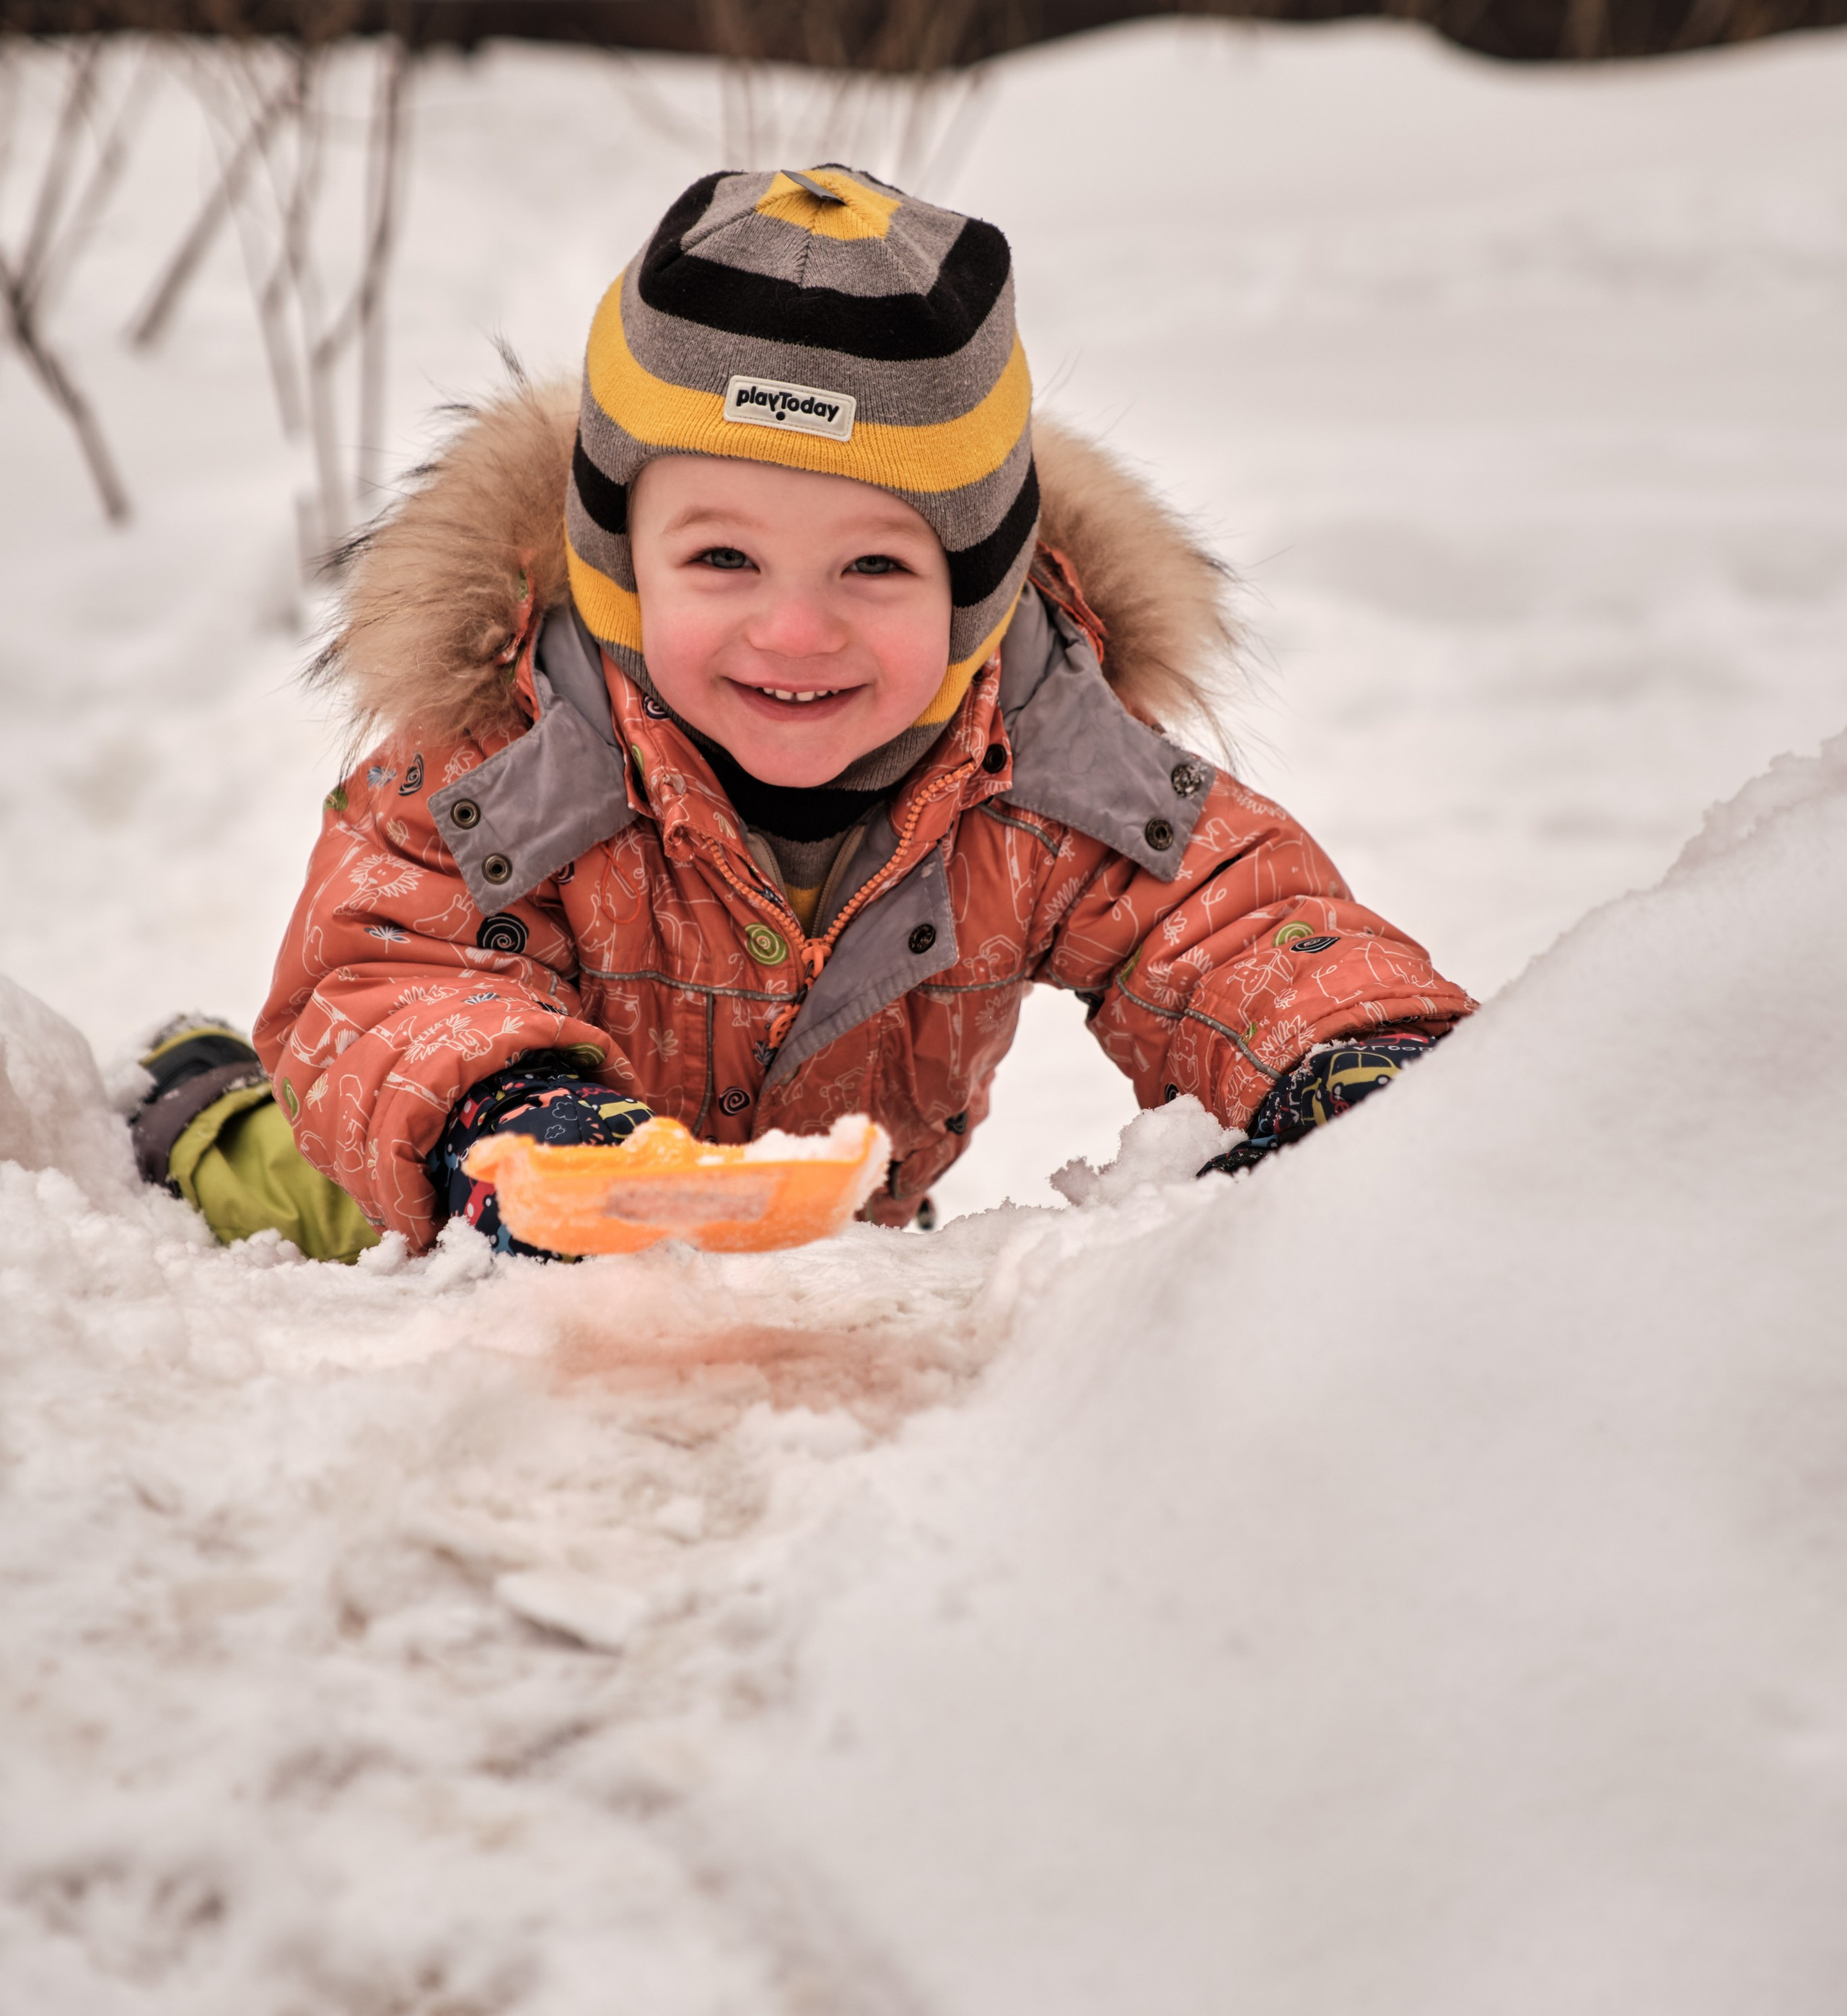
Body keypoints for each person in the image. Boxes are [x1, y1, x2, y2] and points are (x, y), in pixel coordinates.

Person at [131, 164, 1473, 1261]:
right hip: (498, 1189)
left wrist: (1349, 1059)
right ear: (617, 566)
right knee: (317, 1199)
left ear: (975, 590)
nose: (793, 631)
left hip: (821, 1225)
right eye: (722, 561)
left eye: (875, 567)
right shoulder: (513, 758)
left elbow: (1229, 921)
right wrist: (510, 1118)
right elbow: (384, 976)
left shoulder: (1045, 758)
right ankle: (199, 1108)